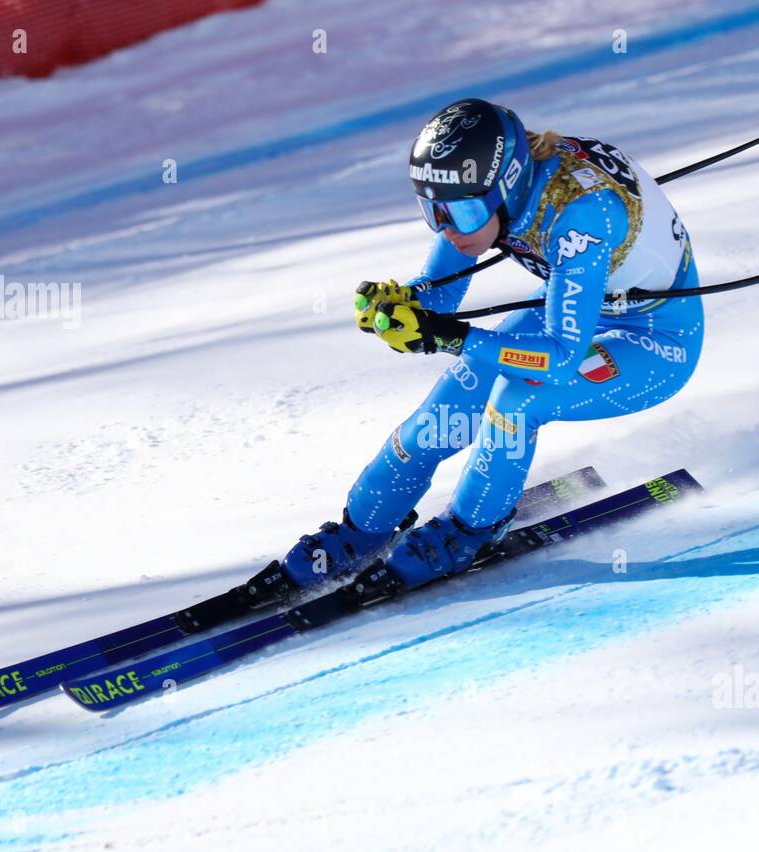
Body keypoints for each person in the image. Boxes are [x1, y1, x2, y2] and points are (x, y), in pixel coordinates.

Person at [280, 97, 704, 591]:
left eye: (457, 212)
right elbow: (439, 294)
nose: (444, 227)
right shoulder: (479, 196)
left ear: (502, 189)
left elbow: (561, 360)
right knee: (452, 402)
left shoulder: (581, 218)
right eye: (430, 208)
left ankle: (470, 532)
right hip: (579, 309)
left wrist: (454, 336)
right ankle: (362, 528)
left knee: (517, 400)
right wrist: (399, 307)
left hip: (655, 344)